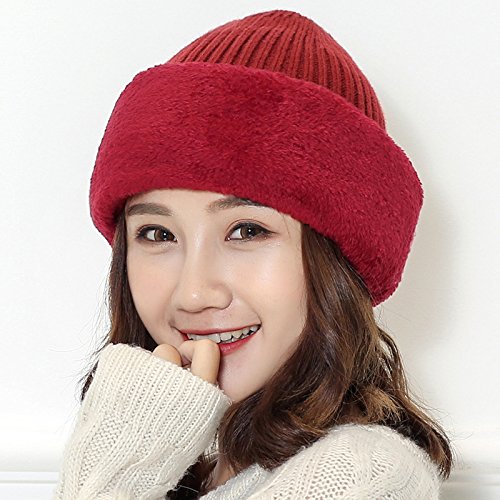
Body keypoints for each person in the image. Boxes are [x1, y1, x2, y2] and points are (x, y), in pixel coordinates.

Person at [53, 9, 454, 499]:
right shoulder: (202, 460)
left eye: (246, 230)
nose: (193, 293)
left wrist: (120, 465)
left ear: (336, 258)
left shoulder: (358, 475)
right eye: (157, 234)